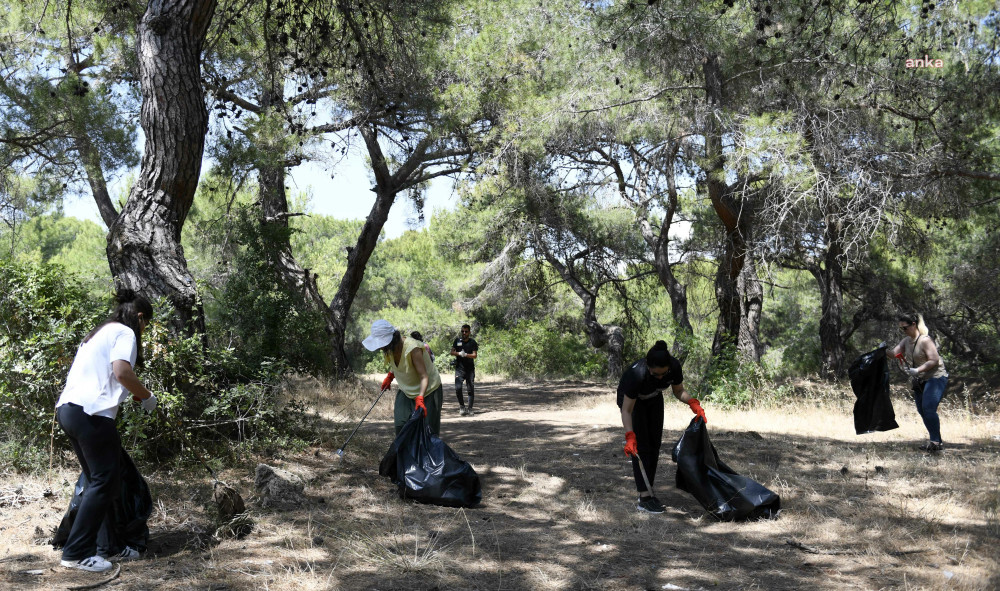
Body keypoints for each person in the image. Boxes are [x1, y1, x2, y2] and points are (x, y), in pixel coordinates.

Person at [54, 290, 158, 572]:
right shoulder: (125, 333)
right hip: (92, 413)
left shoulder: (98, 333)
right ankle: (76, 553)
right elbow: (121, 372)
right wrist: (147, 397)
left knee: (96, 482)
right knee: (104, 482)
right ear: (139, 317)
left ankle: (103, 548)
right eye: (146, 323)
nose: (145, 329)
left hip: (69, 410)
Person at [618, 340, 707, 514]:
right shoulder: (636, 375)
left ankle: (649, 490)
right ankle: (644, 498)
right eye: (655, 374)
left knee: (654, 445)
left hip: (654, 398)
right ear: (648, 366)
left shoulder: (673, 366)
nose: (660, 377)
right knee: (641, 446)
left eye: (663, 374)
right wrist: (629, 435)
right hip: (633, 403)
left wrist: (693, 403)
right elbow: (626, 410)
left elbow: (678, 390)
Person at [363, 320, 444, 436]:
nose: (380, 348)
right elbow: (400, 364)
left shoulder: (413, 348)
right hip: (406, 391)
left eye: (381, 343)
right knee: (401, 426)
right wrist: (390, 376)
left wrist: (420, 398)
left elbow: (424, 376)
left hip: (428, 390)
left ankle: (425, 454)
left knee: (427, 432)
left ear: (391, 339)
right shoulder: (389, 348)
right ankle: (405, 454)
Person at [891, 312, 949, 452]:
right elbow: (894, 354)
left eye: (905, 328)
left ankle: (935, 442)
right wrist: (882, 350)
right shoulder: (906, 341)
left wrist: (917, 370)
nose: (903, 331)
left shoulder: (925, 340)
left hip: (935, 377)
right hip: (920, 379)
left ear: (914, 324)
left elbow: (934, 360)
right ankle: (936, 441)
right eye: (901, 329)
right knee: (922, 410)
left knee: (928, 407)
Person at [450, 324, 479, 416]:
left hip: (470, 369)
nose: (464, 333)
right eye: (462, 331)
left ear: (469, 332)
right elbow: (452, 352)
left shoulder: (472, 342)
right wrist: (459, 353)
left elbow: (474, 355)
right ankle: (462, 407)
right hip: (459, 368)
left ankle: (470, 408)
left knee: (470, 389)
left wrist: (466, 354)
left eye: (466, 331)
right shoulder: (457, 341)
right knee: (458, 388)